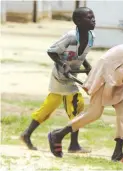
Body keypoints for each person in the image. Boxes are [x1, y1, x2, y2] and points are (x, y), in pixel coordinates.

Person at [20, 7, 95, 153]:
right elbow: (52, 51)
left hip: (71, 76)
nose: (93, 20)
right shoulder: (71, 36)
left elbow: (80, 54)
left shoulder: (91, 37)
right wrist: (63, 64)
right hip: (61, 76)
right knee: (77, 105)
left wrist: (87, 67)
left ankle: (26, 134)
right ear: (78, 21)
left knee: (49, 106)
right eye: (89, 17)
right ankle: (73, 145)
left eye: (93, 17)